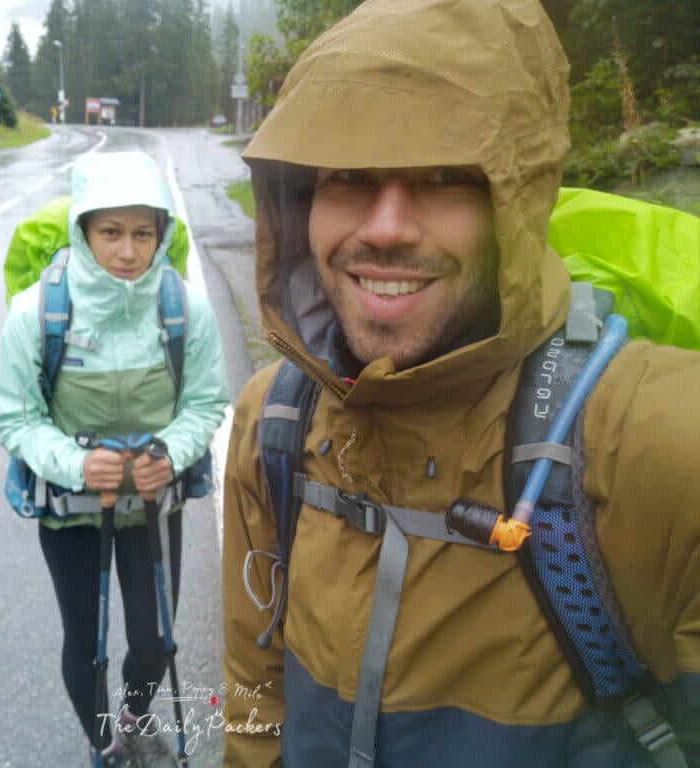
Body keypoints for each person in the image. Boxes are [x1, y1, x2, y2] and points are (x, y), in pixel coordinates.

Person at [220, 1, 700, 766]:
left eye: (446, 177)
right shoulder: (272, 420)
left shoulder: (658, 444)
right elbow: (254, 693)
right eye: (348, 176)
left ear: (519, 198)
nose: (385, 227)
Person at [0, 150, 230, 767]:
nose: (128, 251)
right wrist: (75, 464)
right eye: (111, 233)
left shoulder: (183, 309)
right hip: (71, 511)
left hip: (154, 503)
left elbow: (206, 403)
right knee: (87, 644)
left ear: (161, 233)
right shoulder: (37, 313)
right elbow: (14, 417)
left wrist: (171, 452)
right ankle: (105, 744)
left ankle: (131, 717)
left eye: (143, 233)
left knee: (155, 643)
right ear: (84, 231)